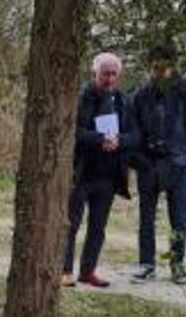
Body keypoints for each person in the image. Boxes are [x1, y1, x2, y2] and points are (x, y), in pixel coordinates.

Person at [129, 44, 186, 285]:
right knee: (146, 218)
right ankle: (146, 264)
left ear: (172, 67)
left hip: (178, 165)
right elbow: (132, 131)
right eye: (155, 67)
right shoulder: (141, 95)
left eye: (164, 67)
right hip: (149, 165)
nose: (159, 72)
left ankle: (178, 265)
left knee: (179, 219)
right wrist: (138, 160)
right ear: (149, 67)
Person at [60, 52, 138, 288]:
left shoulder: (123, 101)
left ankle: (88, 271)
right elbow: (71, 131)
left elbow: (135, 135)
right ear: (95, 72)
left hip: (108, 176)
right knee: (70, 225)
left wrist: (119, 142)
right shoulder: (80, 98)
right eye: (106, 73)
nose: (110, 78)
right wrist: (100, 139)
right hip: (81, 174)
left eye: (114, 74)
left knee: (98, 228)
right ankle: (64, 271)